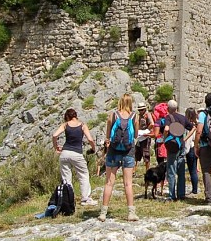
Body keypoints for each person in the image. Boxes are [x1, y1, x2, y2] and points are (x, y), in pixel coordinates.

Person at [99, 93, 139, 222]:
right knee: (128, 183)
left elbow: (108, 133)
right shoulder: (134, 116)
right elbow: (136, 134)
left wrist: (107, 141)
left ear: (120, 102)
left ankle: (103, 213)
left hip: (113, 150)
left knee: (109, 182)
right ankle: (131, 213)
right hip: (128, 150)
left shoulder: (113, 115)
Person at [51, 108, 97, 206]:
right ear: (76, 115)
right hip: (77, 154)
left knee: (66, 178)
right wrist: (93, 148)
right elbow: (90, 139)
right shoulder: (82, 125)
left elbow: (54, 135)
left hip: (65, 153)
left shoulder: (65, 125)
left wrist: (56, 147)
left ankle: (68, 200)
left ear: (67, 116)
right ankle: (85, 199)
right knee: (83, 175)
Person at [158, 99, 195, 201]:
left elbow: (166, 129)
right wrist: (185, 138)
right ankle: (181, 194)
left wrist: (165, 139)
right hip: (181, 145)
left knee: (171, 171)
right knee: (181, 171)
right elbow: (193, 128)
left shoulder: (168, 117)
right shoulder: (183, 118)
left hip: (172, 146)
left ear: (168, 108)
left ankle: (172, 195)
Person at [134, 100, 154, 174]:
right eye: (139, 110)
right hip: (139, 136)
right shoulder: (138, 116)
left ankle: (147, 170)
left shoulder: (147, 115)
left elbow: (152, 124)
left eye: (142, 109)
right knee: (137, 153)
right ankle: (134, 170)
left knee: (146, 153)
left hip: (145, 136)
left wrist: (146, 131)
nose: (141, 111)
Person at [184, 107, 199, 195]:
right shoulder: (197, 123)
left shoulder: (187, 124)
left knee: (192, 169)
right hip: (196, 147)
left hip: (190, 147)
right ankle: (195, 188)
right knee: (194, 169)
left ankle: (194, 189)